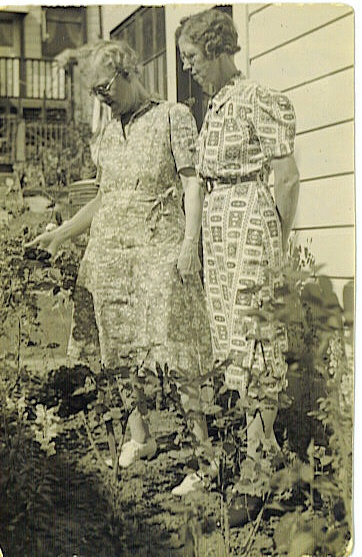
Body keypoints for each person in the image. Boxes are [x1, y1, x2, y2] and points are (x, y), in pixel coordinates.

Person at [26, 39, 212, 470]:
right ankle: (140, 437)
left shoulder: (172, 117)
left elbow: (192, 183)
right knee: (118, 350)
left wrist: (189, 242)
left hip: (157, 250)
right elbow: (105, 197)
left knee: (177, 348)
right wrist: (62, 234)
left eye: (105, 87)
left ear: (129, 71)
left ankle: (204, 454)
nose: (102, 98)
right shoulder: (109, 131)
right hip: (110, 253)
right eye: (95, 92)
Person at [174, 9, 300, 497]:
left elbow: (286, 179)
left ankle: (257, 473)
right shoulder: (216, 104)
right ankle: (257, 457)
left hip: (250, 225)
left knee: (257, 339)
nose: (187, 67)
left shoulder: (256, 98)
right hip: (221, 233)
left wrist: (277, 244)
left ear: (214, 48)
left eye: (190, 57)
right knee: (233, 340)